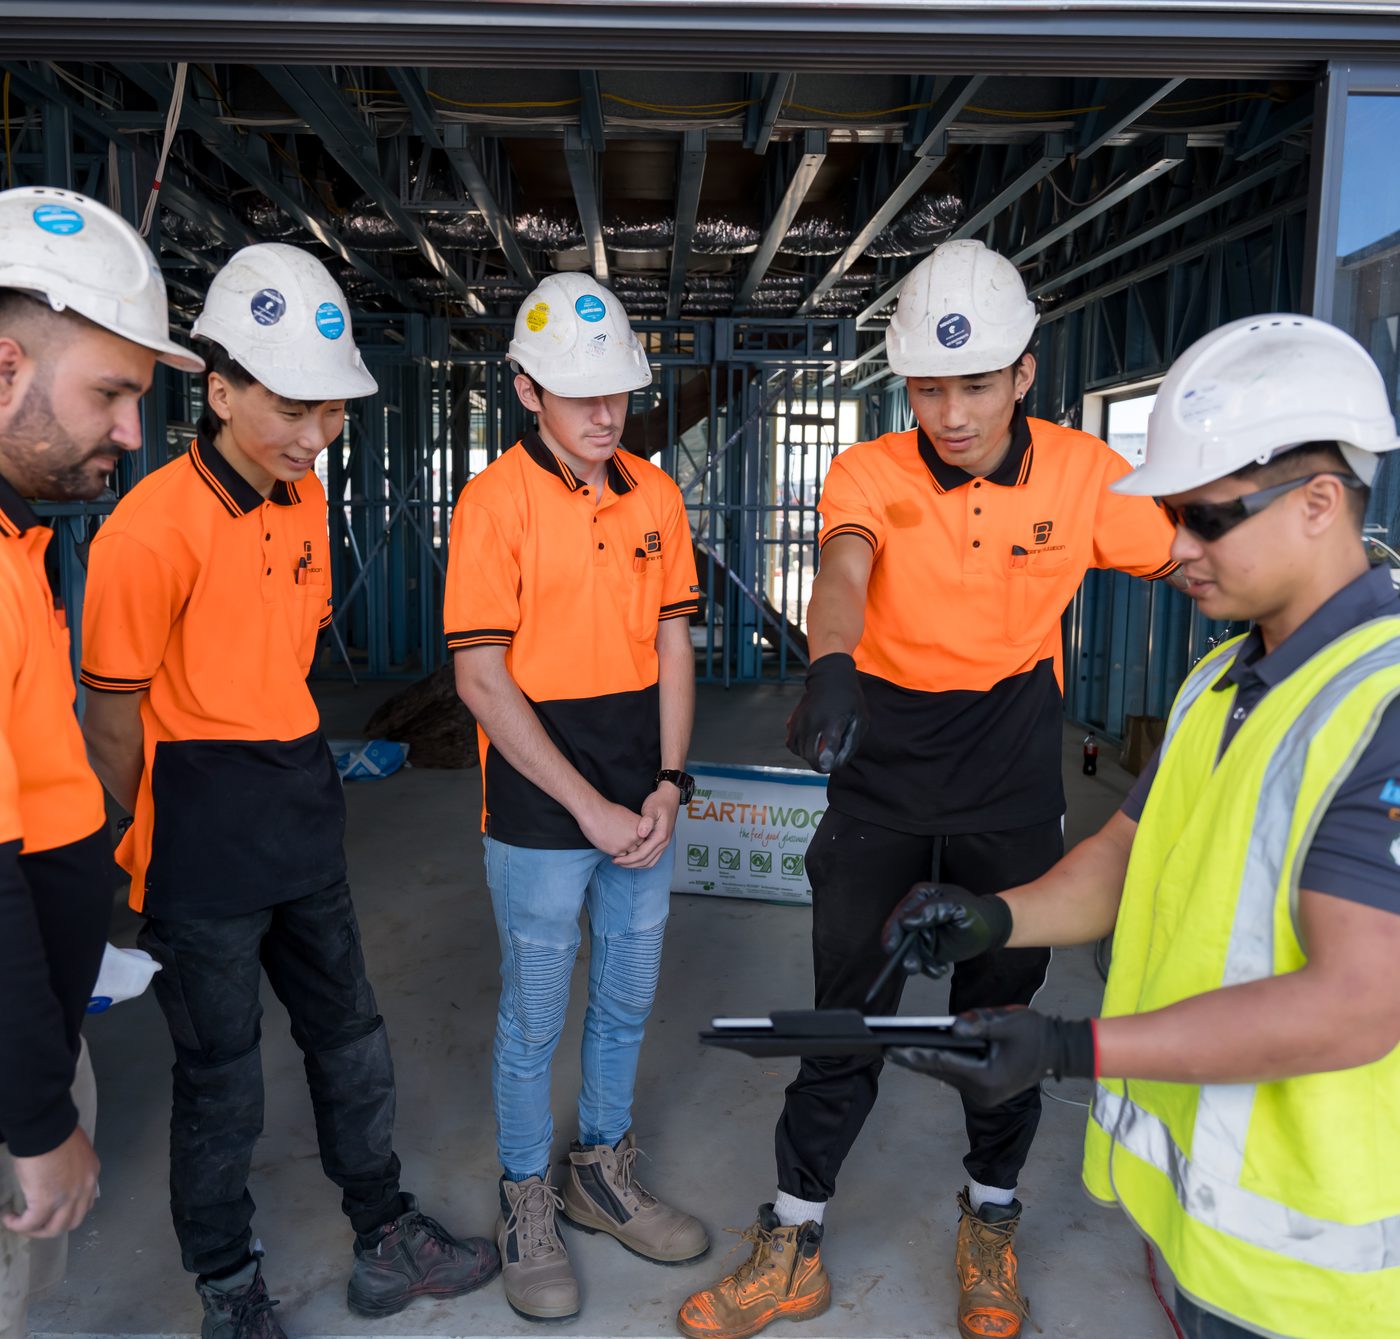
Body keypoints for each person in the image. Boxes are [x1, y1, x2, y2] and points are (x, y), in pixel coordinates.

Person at [679, 239, 1182, 1339]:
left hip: (1009, 791)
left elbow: (1195, 556)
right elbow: (844, 567)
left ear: (1022, 376)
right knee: (840, 1024)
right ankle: (794, 1240)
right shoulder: (868, 471)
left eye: (973, 384)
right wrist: (830, 664)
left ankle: (989, 1225)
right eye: (927, 385)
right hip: (880, 782)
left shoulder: (1084, 475)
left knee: (995, 1020)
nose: (949, 412)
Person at [881, 313, 1400, 1339]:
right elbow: (1121, 858)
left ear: (1315, 503)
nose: (1176, 547)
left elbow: (1356, 1001)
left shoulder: (1378, 706)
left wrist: (1072, 1046)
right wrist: (991, 917)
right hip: (1212, 1239)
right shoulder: (1221, 678)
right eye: (1171, 514)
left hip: (1324, 1278)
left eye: (1205, 518)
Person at [78, 243, 498, 1339]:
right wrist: (112, 858)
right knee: (221, 1079)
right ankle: (229, 1288)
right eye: (292, 409)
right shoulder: (148, 530)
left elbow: (284, 661)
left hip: (300, 804)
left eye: (331, 412)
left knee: (349, 1034)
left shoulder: (304, 501)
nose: (315, 435)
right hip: (196, 831)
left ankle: (384, 1231)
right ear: (216, 391)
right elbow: (113, 714)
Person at [447, 271, 707, 1322]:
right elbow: (479, 675)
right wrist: (589, 807)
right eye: (576, 391)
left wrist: (668, 784)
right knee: (533, 1015)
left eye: (617, 391)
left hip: (640, 799)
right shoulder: (492, 502)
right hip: (540, 811)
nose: (604, 412)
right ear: (523, 390)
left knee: (628, 999)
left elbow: (672, 642)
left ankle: (600, 1175)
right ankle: (526, 1199)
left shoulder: (654, 493)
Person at [0, 184, 204, 1339]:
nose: (131, 432)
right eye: (112, 393)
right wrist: (37, 1115)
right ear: (5, 366)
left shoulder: (18, 542)